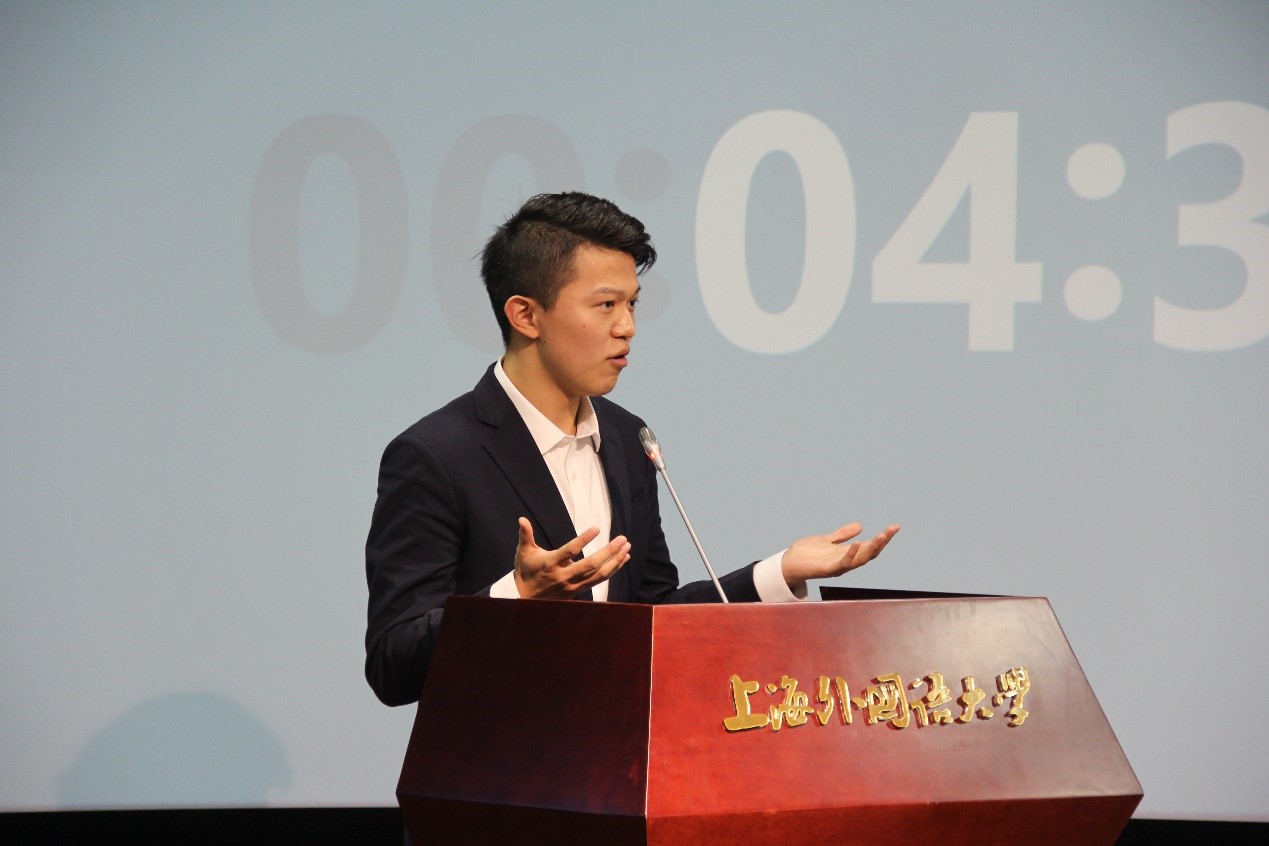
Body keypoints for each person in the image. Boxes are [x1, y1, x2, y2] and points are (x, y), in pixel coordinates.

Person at [364, 192, 899, 707]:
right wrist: (518, 597)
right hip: (499, 765)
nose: (628, 327)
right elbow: (393, 662)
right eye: (605, 305)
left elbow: (653, 615)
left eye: (632, 303)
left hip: (620, 762)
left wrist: (780, 572)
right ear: (526, 315)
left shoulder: (626, 436)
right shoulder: (435, 455)